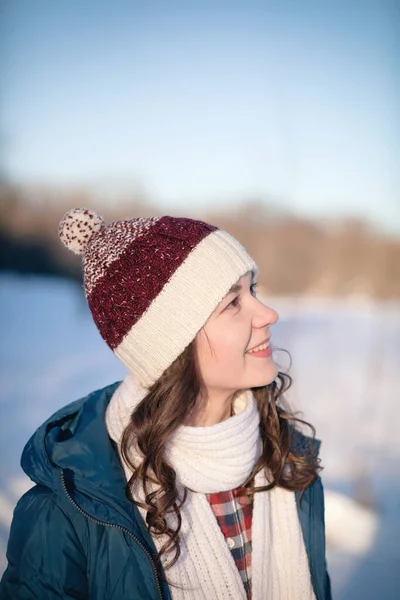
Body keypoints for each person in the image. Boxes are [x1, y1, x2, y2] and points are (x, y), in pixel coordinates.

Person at [0, 209, 331, 600]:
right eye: (232, 303)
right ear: (172, 347)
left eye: (252, 290)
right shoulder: (71, 511)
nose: (268, 314)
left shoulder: (288, 464)